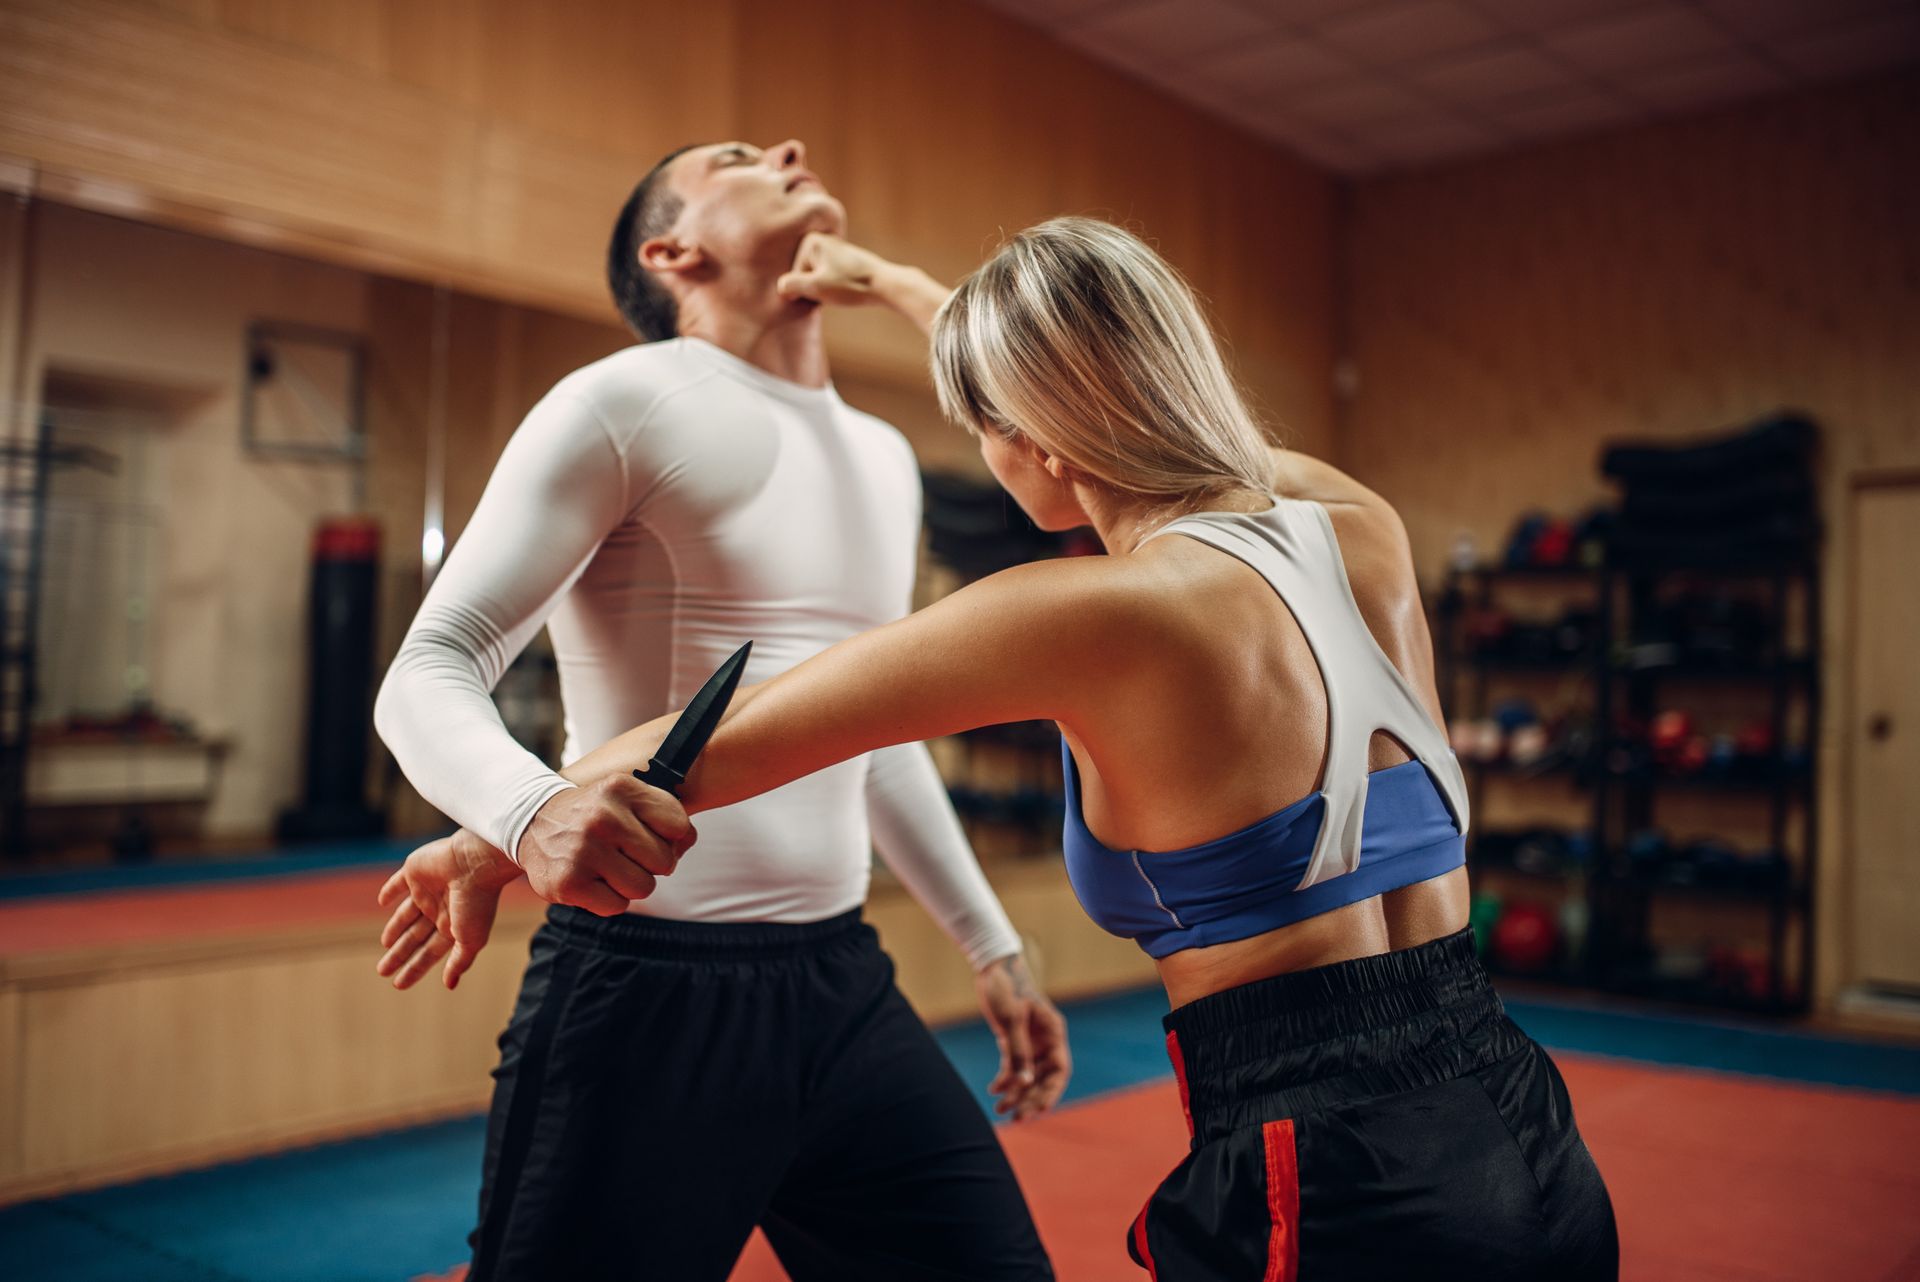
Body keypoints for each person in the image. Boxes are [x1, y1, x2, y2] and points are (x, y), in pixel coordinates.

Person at [386, 216, 1620, 1280]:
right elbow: (1159, 416)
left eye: (986, 421)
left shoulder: (1086, 614)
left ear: (1034, 438)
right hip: (1526, 1123)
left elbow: (718, 740)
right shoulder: (1362, 527)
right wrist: (937, 301)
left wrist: (490, 828)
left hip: (1342, 1185)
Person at [372, 139, 1067, 1282]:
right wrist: (527, 810)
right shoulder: (621, 401)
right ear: (672, 250)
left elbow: (861, 733)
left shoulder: (887, 456)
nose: (790, 149)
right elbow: (428, 667)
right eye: (741, 158)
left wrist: (991, 946)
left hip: (840, 986)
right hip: (642, 993)